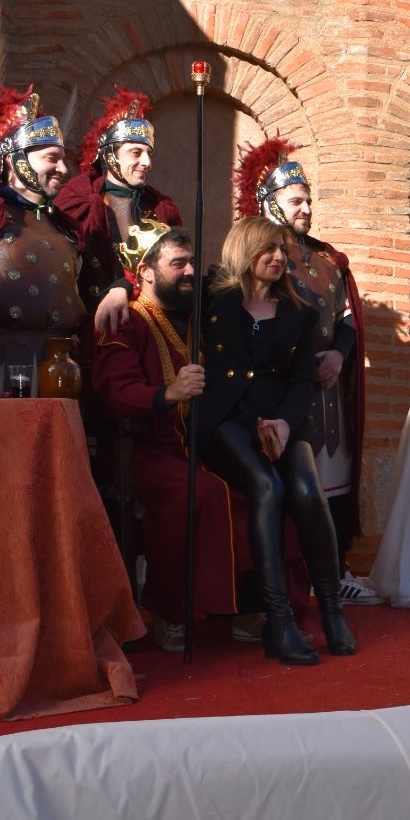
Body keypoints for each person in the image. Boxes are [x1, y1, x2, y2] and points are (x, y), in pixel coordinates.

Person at [90, 221, 263, 650]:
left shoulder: (194, 315)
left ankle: (245, 607)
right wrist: (167, 393)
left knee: (255, 484)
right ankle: (169, 610)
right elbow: (113, 392)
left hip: (197, 445)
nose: (189, 272)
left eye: (191, 262)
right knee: (199, 495)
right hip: (144, 448)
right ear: (146, 272)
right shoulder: (125, 319)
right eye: (177, 264)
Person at [197, 216, 357, 664]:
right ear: (244, 251)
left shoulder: (300, 310)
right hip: (227, 417)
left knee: (308, 491)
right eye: (267, 249)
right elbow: (159, 286)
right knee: (268, 489)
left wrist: (287, 422)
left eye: (281, 251)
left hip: (283, 418)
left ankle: (331, 611)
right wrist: (115, 287)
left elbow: (305, 379)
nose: (277, 257)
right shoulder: (214, 299)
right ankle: (279, 623)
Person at [234, 138, 377, 603]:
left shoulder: (328, 258)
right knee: (294, 485)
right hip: (280, 391)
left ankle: (333, 573)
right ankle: (301, 580)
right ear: (269, 202)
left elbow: (347, 320)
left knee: (332, 484)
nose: (306, 208)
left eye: (308, 199)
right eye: (296, 200)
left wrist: (338, 355)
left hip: (328, 389)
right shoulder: (257, 257)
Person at [0, 87, 126, 396]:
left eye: (62, 159)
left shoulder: (64, 231)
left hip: (57, 381)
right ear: (15, 160)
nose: (63, 168)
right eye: (51, 158)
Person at [54, 88, 182, 329]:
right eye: (136, 152)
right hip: (93, 328)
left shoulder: (160, 208)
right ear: (111, 156)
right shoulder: (78, 202)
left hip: (150, 327)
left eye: (149, 154)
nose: (146, 162)